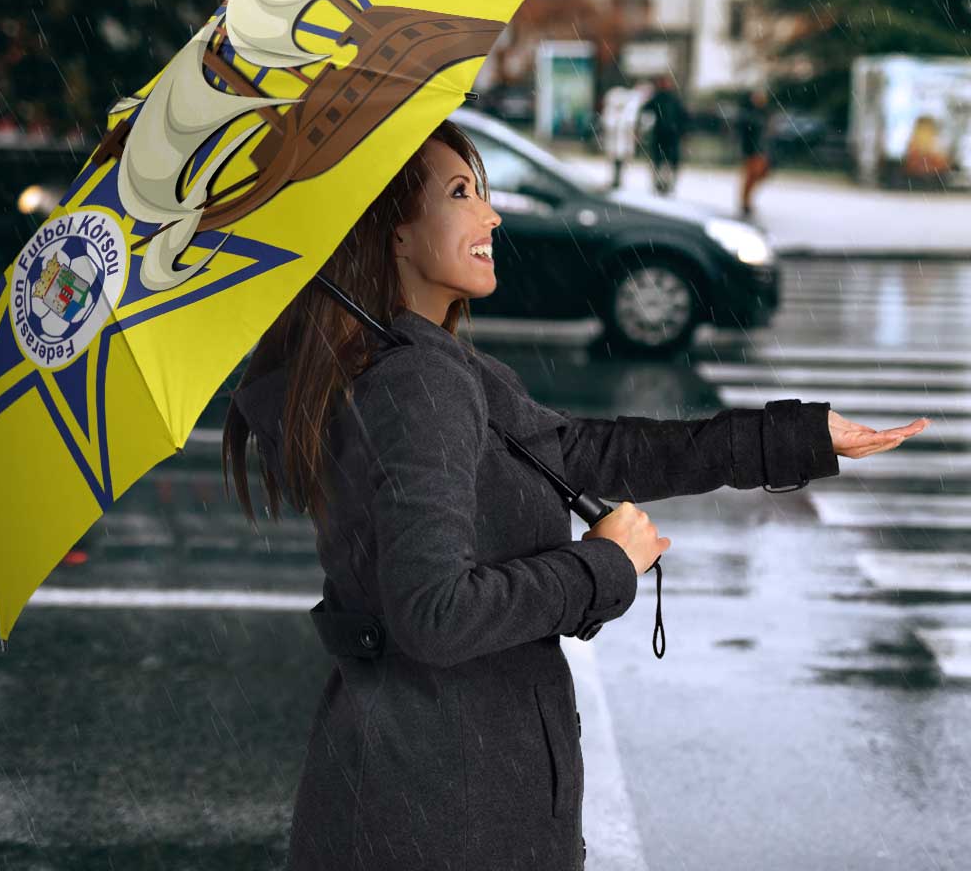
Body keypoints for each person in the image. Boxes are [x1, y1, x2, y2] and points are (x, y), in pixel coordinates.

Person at [222, 118, 927, 871]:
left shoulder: (424, 365)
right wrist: (602, 566)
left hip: (427, 789)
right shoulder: (417, 383)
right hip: (445, 809)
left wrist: (797, 437)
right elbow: (434, 614)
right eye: (461, 193)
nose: (491, 215)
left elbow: (588, 452)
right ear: (392, 233)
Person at [639, 73, 689, 196]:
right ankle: (660, 184)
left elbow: (683, 117)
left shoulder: (672, 99)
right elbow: (645, 111)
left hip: (670, 135)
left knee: (667, 162)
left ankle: (666, 184)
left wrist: (682, 131)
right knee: (660, 161)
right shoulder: (659, 98)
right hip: (662, 135)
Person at [737, 86, 773, 218]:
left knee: (759, 175)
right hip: (752, 150)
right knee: (751, 176)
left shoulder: (764, 113)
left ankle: (747, 201)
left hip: (761, 150)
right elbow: (746, 133)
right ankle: (745, 202)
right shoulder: (749, 114)